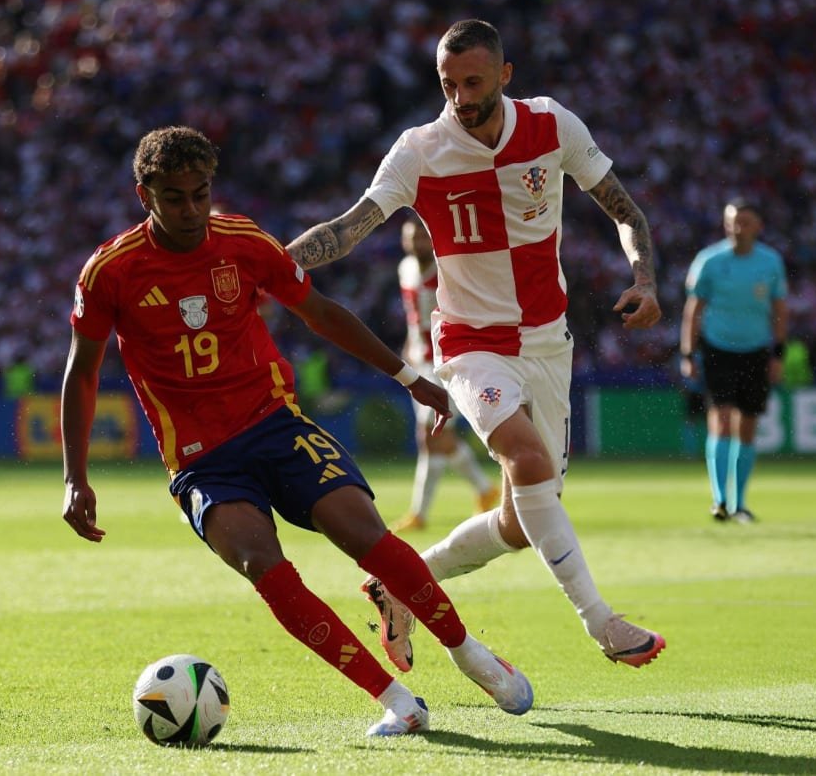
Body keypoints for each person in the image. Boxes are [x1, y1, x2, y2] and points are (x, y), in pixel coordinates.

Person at [60, 126, 533, 738]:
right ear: (143, 195)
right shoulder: (111, 270)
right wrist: (75, 477)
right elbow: (82, 372)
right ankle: (396, 701)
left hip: (275, 424)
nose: (191, 210)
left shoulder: (243, 242)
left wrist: (407, 377)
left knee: (365, 535)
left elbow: (321, 313)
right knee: (263, 565)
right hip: (202, 460)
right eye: (174, 198)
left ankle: (471, 655)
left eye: (201, 194)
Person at [287, 20, 667, 674]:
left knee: (522, 522)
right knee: (525, 458)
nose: (460, 98)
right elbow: (350, 228)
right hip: (469, 344)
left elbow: (625, 210)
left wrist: (645, 278)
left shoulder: (551, 125)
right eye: (448, 85)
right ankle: (602, 621)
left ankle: (399, 581)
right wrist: (272, 263)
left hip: (547, 343)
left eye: (473, 82)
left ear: (505, 75)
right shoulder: (421, 149)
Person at [679, 199, 788, 523]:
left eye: (744, 222)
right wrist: (688, 352)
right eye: (732, 222)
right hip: (718, 350)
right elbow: (693, 310)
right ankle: (720, 501)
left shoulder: (770, 262)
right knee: (722, 420)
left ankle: (739, 503)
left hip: (756, 350)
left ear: (758, 226)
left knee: (748, 427)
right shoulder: (709, 261)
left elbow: (779, 309)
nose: (737, 228)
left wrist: (778, 353)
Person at [391, 213, 500, 532]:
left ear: (431, 239)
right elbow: (413, 317)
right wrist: (409, 346)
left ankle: (420, 514)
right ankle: (484, 489)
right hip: (419, 361)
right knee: (438, 438)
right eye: (410, 237)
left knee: (430, 435)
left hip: (445, 362)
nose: (415, 243)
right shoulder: (405, 268)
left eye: (420, 237)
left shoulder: (446, 270)